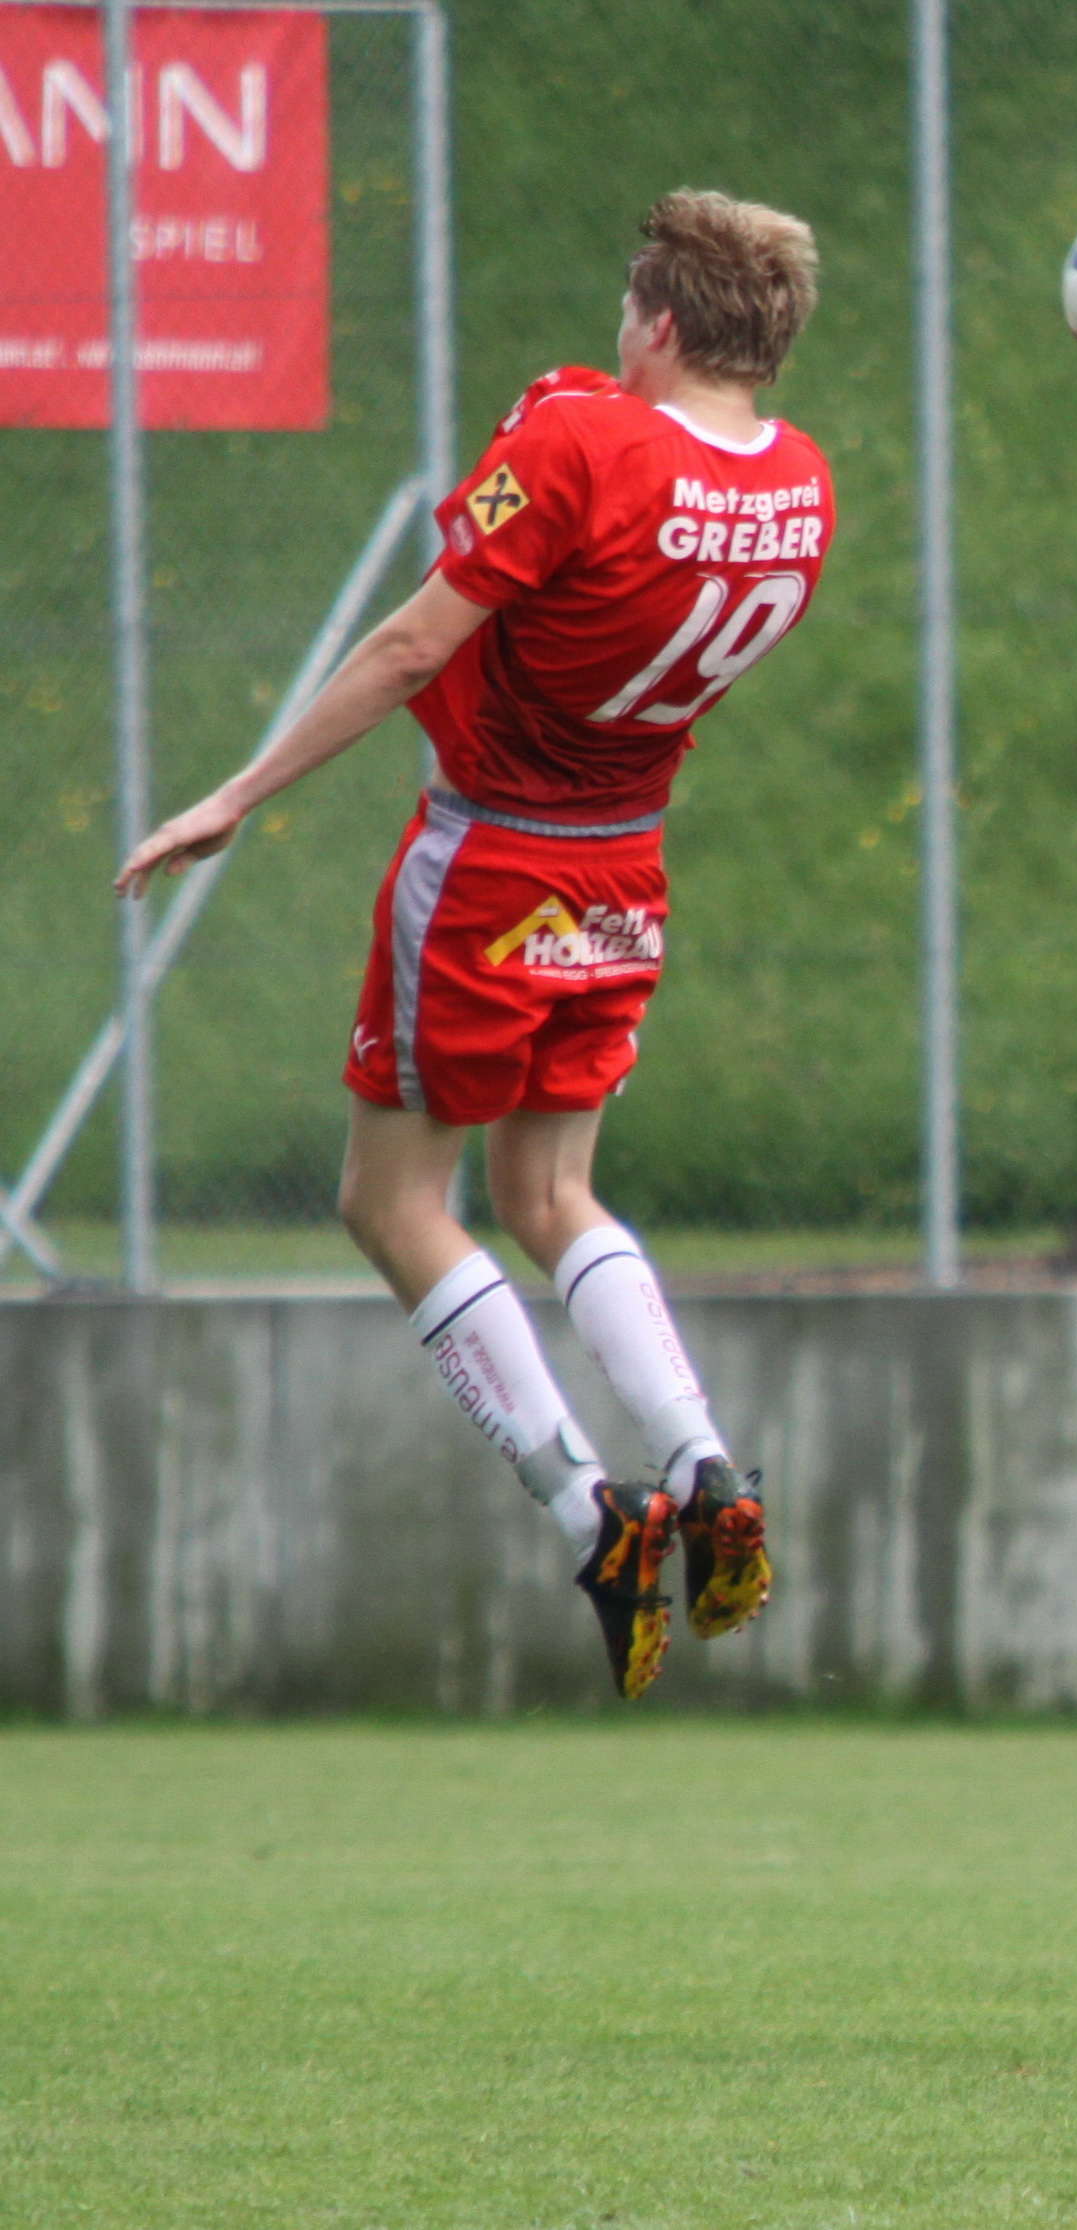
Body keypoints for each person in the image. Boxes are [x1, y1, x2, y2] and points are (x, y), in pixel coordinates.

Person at [115, 192, 831, 1701]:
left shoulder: (584, 440)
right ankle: (703, 1462)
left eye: (629, 309)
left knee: (390, 1201)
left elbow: (410, 646)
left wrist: (238, 793)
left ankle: (590, 1511)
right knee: (550, 1193)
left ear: (662, 321)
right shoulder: (801, 485)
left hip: (494, 857)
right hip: (626, 863)